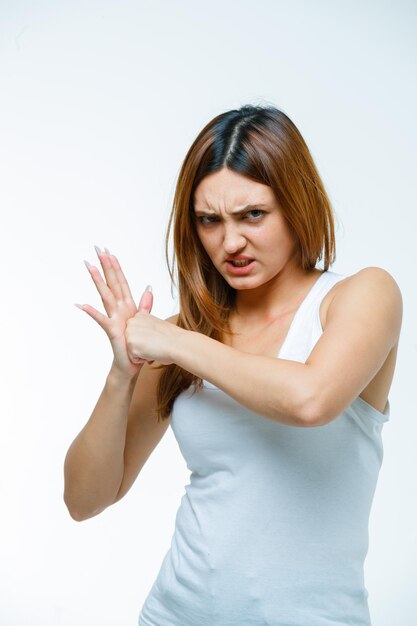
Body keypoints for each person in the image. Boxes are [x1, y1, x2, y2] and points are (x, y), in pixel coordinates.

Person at [64, 104, 403, 626]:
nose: (231, 242)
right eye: (209, 221)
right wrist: (120, 376)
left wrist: (177, 342)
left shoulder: (361, 296)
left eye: (253, 214)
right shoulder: (177, 337)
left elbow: (310, 400)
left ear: (297, 205)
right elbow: (85, 500)